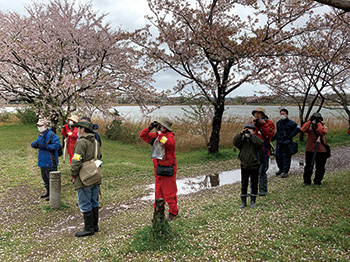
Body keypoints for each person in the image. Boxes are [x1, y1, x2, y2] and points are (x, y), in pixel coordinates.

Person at [140, 117, 178, 221]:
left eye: (161, 125)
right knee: (158, 194)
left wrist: (160, 133)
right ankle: (158, 214)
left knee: (170, 194)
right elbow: (143, 136)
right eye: (158, 125)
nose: (159, 127)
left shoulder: (169, 136)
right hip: (158, 170)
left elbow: (168, 143)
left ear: (166, 127)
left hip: (168, 169)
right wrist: (149, 128)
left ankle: (173, 213)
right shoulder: (156, 136)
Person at [70, 121, 102, 237]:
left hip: (84, 176)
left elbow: (76, 160)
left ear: (83, 130)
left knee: (84, 201)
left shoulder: (81, 143)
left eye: (78, 128)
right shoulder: (95, 141)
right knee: (94, 200)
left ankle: (88, 228)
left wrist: (73, 174)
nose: (77, 130)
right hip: (95, 174)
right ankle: (94, 225)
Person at [233, 123, 263, 208]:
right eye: (247, 129)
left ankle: (253, 201)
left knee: (254, 183)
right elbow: (235, 142)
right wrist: (241, 134)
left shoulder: (256, 139)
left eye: (250, 129)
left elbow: (260, 143)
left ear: (254, 131)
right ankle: (243, 202)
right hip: (244, 164)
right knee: (244, 184)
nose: (248, 130)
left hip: (254, 164)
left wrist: (251, 136)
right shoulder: (242, 141)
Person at [31, 119, 61, 201]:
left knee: (51, 178)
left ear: (46, 126)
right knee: (45, 178)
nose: (39, 128)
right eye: (38, 126)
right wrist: (35, 144)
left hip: (50, 161)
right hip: (42, 160)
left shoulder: (52, 135)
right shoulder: (41, 135)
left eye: (41, 126)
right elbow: (38, 143)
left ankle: (53, 194)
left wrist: (46, 147)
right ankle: (48, 192)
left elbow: (57, 145)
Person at [250, 107, 275, 196]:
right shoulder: (251, 123)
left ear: (263, 115)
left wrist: (263, 125)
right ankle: (253, 190)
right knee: (253, 172)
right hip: (253, 151)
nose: (257, 115)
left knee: (262, 171)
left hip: (264, 151)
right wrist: (252, 125)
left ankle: (263, 190)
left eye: (259, 113)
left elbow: (271, 134)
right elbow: (247, 134)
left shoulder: (269, 123)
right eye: (255, 113)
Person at [301, 112, 329, 186]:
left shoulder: (323, 126)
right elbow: (303, 129)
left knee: (320, 167)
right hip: (309, 149)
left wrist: (319, 123)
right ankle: (306, 181)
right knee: (308, 166)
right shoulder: (309, 126)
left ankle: (317, 181)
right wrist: (310, 121)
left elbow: (323, 132)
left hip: (321, 150)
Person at [271, 109, 301, 178]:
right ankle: (281, 169)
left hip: (287, 143)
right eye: (281, 114)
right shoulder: (278, 123)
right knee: (278, 156)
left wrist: (290, 136)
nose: (282, 115)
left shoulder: (291, 123)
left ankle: (285, 171)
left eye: (283, 114)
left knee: (286, 157)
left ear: (287, 115)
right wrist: (273, 138)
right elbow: (278, 132)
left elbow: (298, 129)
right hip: (279, 142)